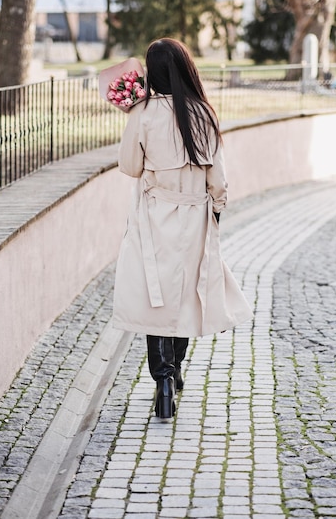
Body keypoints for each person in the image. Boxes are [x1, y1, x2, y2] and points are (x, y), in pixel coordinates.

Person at [111, 38, 252, 420]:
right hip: (195, 216)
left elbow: (129, 167)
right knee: (186, 295)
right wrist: (217, 212)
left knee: (156, 298)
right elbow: (218, 179)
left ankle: (164, 380)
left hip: (155, 214)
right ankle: (175, 371)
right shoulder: (203, 112)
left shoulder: (144, 114)